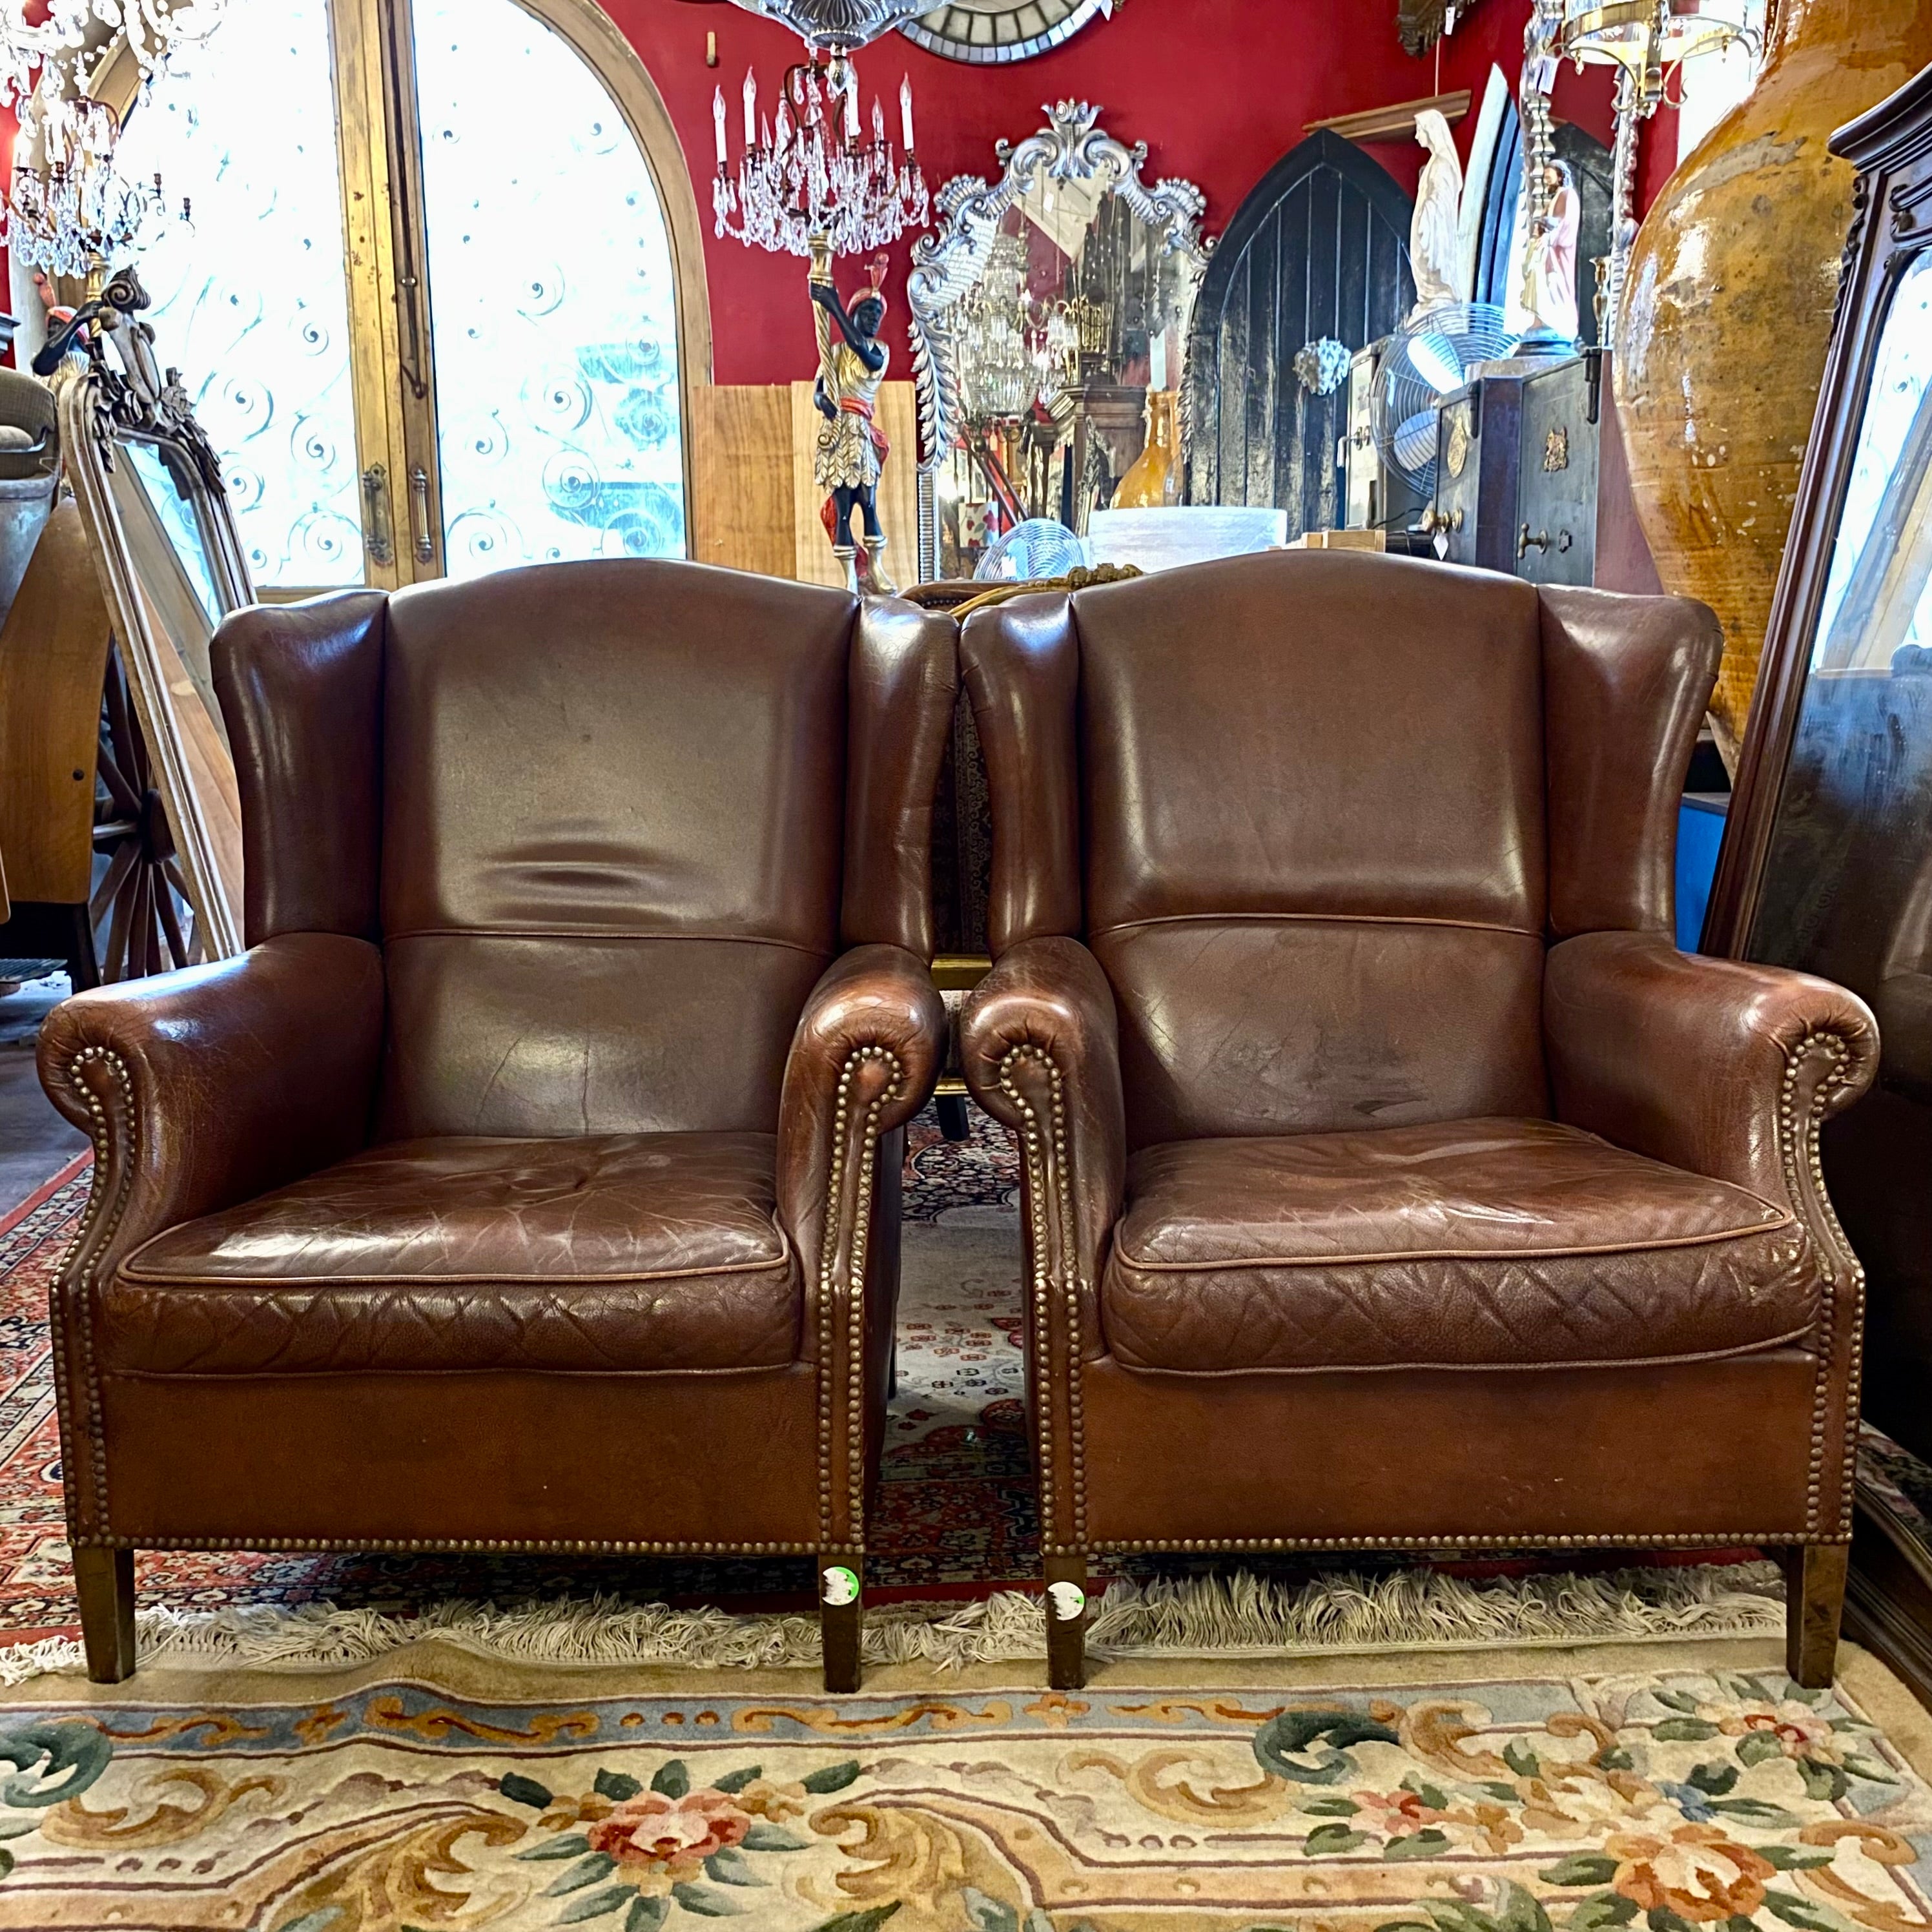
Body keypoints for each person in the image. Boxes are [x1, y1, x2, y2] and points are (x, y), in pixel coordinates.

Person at [810, 243, 894, 594]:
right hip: (836, 432)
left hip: (859, 432)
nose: (875, 317)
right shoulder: (834, 354)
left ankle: (875, 565)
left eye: (879, 313)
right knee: (842, 506)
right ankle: (849, 575)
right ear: (856, 313)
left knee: (869, 502)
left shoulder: (879, 351)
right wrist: (821, 400)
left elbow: (862, 348)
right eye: (868, 311)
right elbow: (819, 387)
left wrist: (832, 307)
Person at [1408, 108, 1464, 322]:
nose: (1416, 136)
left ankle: (1439, 297)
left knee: (1434, 271)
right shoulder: (1435, 161)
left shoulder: (1441, 164)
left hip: (1434, 228)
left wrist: (1426, 215)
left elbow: (1441, 202)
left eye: (1419, 131)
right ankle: (1431, 299)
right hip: (1426, 225)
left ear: (1431, 131)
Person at [1523, 159, 1581, 346]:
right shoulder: (1555, 197)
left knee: (1554, 284)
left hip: (1557, 253)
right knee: (1538, 279)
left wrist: (1550, 236)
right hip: (1545, 249)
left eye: (1549, 178)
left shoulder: (1568, 195)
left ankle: (1557, 322)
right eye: (1545, 179)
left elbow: (1567, 223)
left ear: (1560, 176)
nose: (1547, 182)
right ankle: (1540, 320)